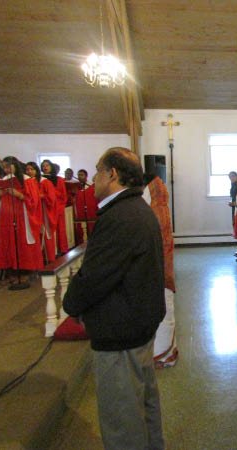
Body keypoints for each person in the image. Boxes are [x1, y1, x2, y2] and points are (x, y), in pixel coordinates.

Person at [63, 147, 166, 450]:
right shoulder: (136, 208)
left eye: (98, 171)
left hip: (120, 330)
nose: (93, 178)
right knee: (143, 402)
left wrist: (71, 305)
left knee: (122, 417)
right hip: (137, 322)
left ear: (112, 174)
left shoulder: (120, 216)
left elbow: (95, 276)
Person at [143, 172, 178, 368]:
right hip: (162, 266)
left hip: (156, 267)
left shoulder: (153, 210)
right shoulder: (160, 206)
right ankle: (164, 352)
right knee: (164, 307)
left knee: (162, 309)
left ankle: (162, 354)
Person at [0, 156, 43, 289]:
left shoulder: (27, 180)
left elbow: (34, 200)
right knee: (9, 242)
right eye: (4, 167)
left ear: (15, 166)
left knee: (22, 243)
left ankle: (25, 272)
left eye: (8, 166)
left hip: (23, 216)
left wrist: (18, 194)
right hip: (7, 216)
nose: (6, 169)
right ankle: (13, 272)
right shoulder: (4, 180)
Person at [25, 162, 58, 263]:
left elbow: (52, 198)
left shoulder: (45, 182)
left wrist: (42, 196)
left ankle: (49, 258)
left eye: (32, 169)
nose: (29, 171)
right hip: (32, 212)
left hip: (43, 211)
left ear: (36, 170)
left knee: (45, 234)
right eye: (27, 169)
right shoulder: (26, 182)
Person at [41, 160, 69, 254]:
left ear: (51, 166)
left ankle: (61, 249)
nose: (45, 167)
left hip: (57, 207)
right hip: (45, 208)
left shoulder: (59, 179)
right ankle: (49, 252)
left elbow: (63, 195)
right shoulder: (40, 179)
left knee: (60, 229)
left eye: (47, 165)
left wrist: (52, 193)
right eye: (43, 166)